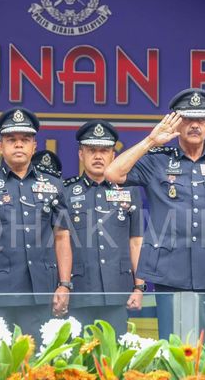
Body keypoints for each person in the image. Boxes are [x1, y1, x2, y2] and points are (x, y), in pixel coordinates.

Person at [104, 88, 205, 341]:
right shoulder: (156, 161)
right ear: (177, 124)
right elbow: (113, 173)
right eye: (187, 119)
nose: (194, 125)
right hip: (168, 270)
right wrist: (151, 141)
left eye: (201, 120)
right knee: (172, 343)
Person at [0, 107, 72, 338]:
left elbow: (62, 236)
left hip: (41, 291)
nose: (19, 145)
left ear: (34, 146)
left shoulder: (53, 184)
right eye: (11, 139)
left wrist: (64, 284)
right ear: (0, 146)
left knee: (39, 358)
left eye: (25, 139)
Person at [63, 120, 144, 332]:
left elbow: (136, 241)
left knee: (115, 351)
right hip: (79, 290)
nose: (98, 156)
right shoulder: (66, 191)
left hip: (118, 289)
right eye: (92, 150)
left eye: (104, 151)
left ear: (113, 155)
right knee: (78, 352)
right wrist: (62, 285)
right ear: (81, 154)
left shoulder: (130, 191)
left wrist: (139, 286)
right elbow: (59, 243)